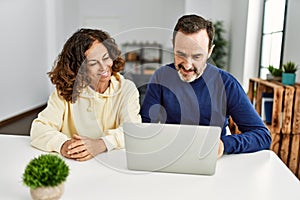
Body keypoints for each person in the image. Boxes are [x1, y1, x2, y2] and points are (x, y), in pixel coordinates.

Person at [140, 14, 271, 157]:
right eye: (180, 54)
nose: (188, 65)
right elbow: (145, 125)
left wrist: (223, 144)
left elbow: (262, 136)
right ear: (173, 45)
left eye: (197, 56)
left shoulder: (227, 84)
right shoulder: (161, 77)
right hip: (171, 156)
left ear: (209, 51)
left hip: (212, 161)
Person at [30, 28, 141, 161]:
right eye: (93, 62)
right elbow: (39, 129)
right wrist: (63, 145)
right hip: (73, 164)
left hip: (111, 162)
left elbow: (132, 131)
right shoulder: (66, 91)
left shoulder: (126, 89)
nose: (104, 67)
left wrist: (101, 144)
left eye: (106, 58)